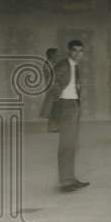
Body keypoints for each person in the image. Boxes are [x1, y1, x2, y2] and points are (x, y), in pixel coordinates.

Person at [40, 39, 89, 192]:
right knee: (66, 145)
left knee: (72, 144)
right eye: (75, 50)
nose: (78, 53)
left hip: (74, 105)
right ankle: (66, 182)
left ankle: (70, 178)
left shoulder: (75, 65)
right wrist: (58, 98)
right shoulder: (63, 64)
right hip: (66, 106)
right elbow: (51, 81)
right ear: (69, 51)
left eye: (80, 51)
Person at [44, 47, 60, 132]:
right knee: (54, 108)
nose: (57, 56)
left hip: (55, 87)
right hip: (53, 88)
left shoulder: (52, 64)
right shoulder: (48, 64)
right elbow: (51, 78)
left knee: (56, 108)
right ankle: (52, 127)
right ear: (51, 55)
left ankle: (54, 127)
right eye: (56, 54)